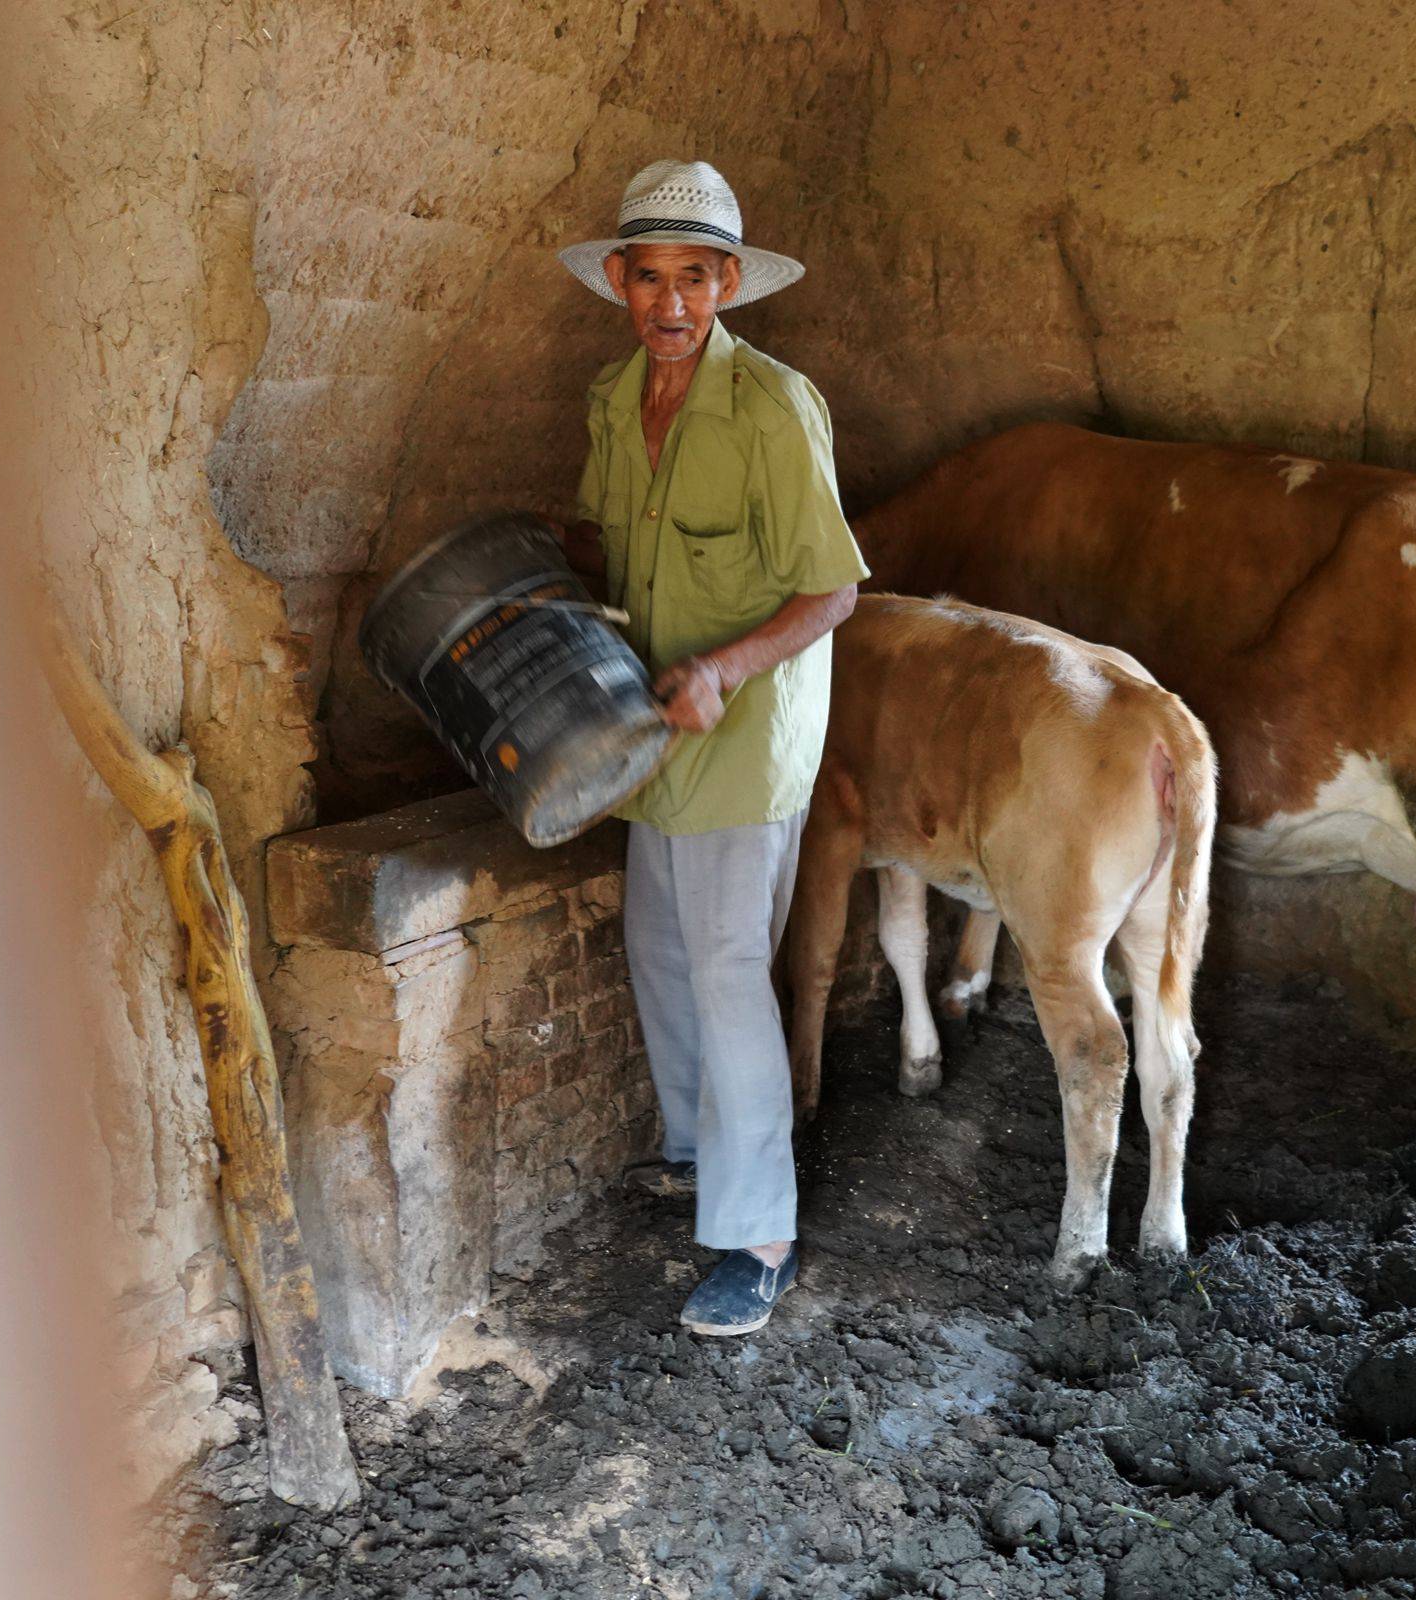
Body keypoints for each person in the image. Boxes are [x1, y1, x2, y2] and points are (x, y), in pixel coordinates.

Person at [554, 159, 866, 1336]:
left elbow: (831, 591)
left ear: (730, 282)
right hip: (652, 721)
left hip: (742, 732)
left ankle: (762, 1233)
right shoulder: (610, 398)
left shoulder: (776, 407)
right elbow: (610, 552)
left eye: (695, 276)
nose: (672, 302)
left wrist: (727, 669)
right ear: (620, 285)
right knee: (657, 946)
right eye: (651, 277)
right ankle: (697, 1150)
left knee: (729, 966)